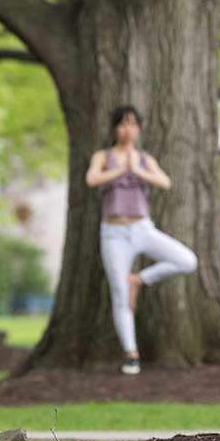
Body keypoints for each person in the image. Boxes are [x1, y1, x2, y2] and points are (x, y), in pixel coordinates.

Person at [84, 105, 199, 375]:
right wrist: (120, 170)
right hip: (113, 233)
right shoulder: (104, 156)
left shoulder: (145, 159)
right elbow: (91, 179)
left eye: (133, 124)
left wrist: (137, 169)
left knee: (187, 260)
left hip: (143, 229)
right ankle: (131, 353)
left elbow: (165, 182)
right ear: (114, 128)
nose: (128, 129)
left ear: (139, 129)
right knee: (119, 294)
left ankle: (140, 279)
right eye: (123, 124)